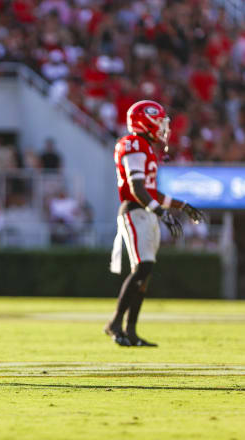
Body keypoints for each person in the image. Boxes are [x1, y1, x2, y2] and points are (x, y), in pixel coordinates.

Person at [106, 100, 206, 347]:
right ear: (145, 121)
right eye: (160, 122)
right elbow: (136, 188)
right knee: (143, 266)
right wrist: (161, 213)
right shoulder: (133, 144)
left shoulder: (145, 147)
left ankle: (130, 330)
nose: (164, 128)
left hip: (146, 211)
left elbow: (151, 190)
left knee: (145, 274)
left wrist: (181, 205)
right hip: (135, 210)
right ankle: (115, 323)